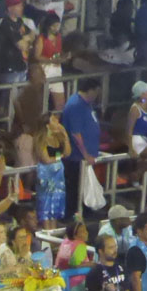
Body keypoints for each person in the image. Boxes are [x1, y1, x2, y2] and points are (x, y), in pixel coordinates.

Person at [60, 77, 101, 217]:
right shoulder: (76, 105)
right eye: (96, 92)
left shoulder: (86, 104)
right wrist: (86, 154)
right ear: (90, 90)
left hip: (84, 156)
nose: (97, 96)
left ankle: (84, 211)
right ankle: (71, 215)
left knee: (82, 186)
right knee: (74, 187)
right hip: (76, 157)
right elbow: (76, 134)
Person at [35, 112, 70, 226]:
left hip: (58, 175)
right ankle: (46, 230)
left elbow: (67, 153)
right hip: (47, 174)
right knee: (46, 203)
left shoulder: (58, 137)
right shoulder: (41, 139)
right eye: (54, 120)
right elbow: (46, 159)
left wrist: (65, 135)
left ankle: (54, 229)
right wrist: (60, 157)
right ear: (47, 125)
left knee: (56, 202)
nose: (57, 122)